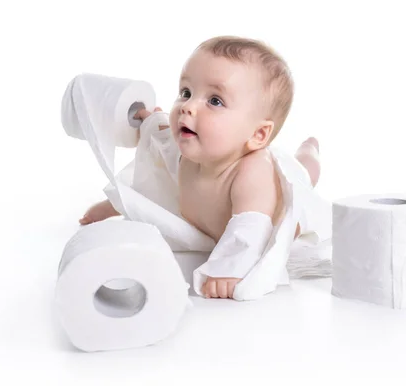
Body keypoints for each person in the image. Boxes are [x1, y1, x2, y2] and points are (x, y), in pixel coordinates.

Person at [79, 36, 321, 299]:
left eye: (215, 101)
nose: (188, 107)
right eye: (186, 92)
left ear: (259, 134)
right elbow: (153, 174)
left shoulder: (253, 173)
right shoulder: (189, 151)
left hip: (288, 195)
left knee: (305, 171)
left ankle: (309, 150)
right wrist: (119, 200)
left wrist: (228, 269)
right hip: (206, 217)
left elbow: (251, 229)